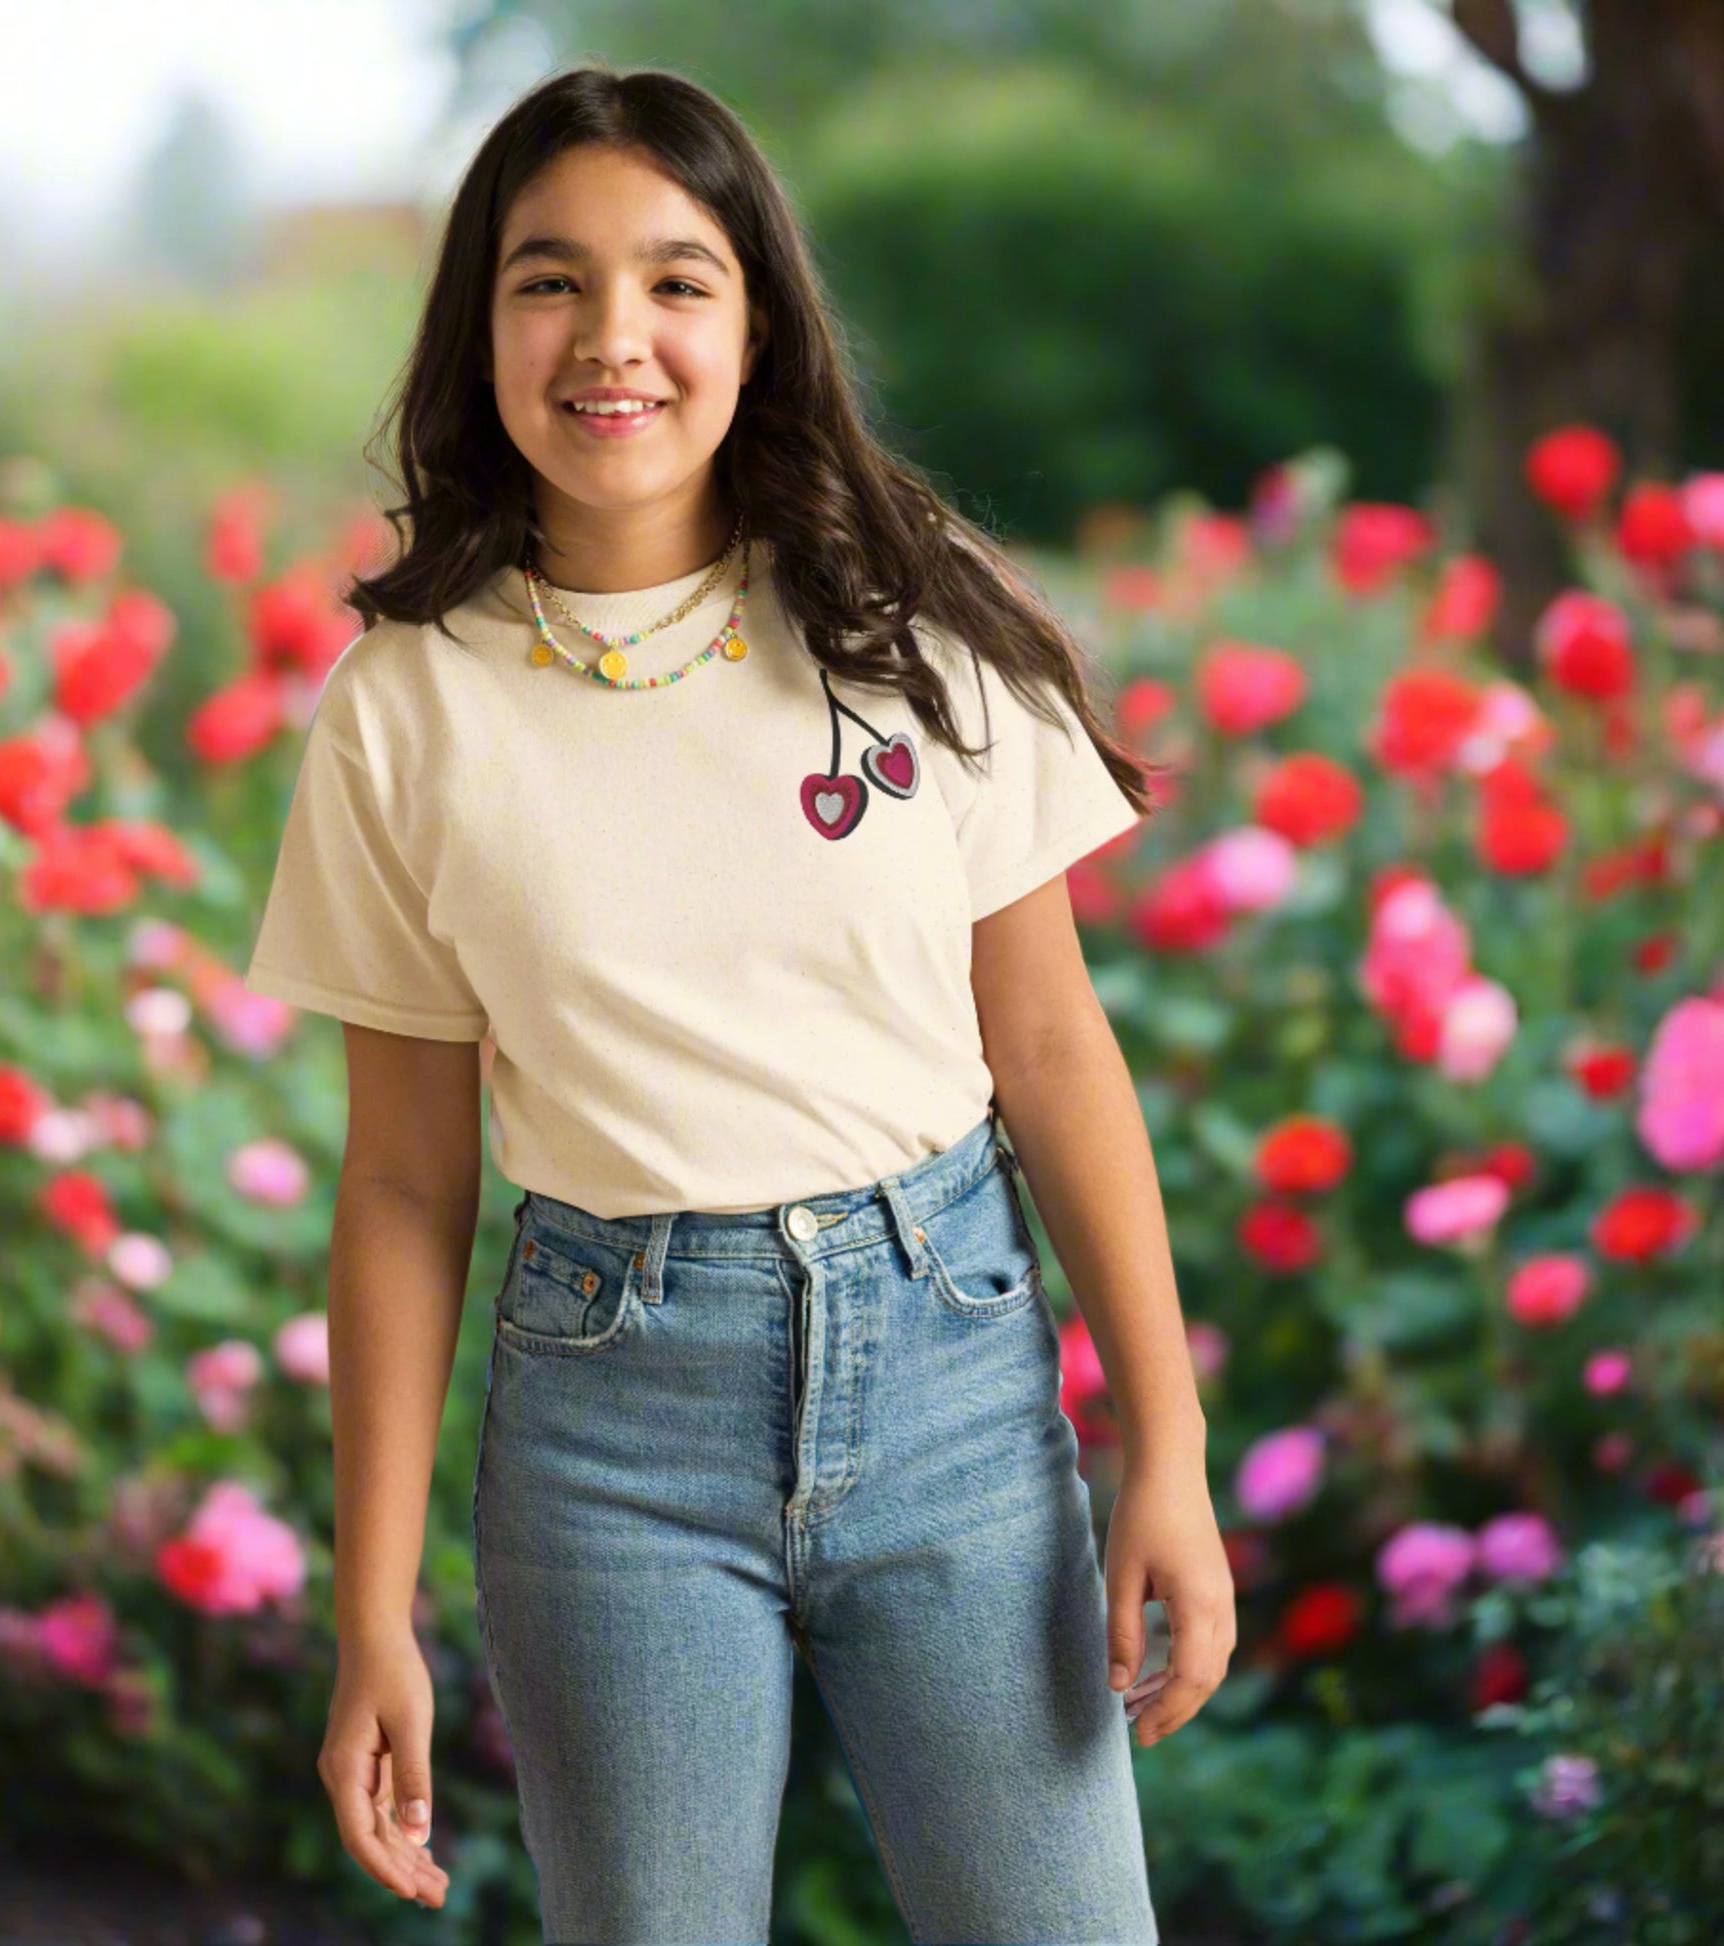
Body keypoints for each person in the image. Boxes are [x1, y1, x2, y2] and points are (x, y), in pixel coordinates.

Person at [244, 60, 1232, 1945]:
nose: (613, 335)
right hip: (611, 1438)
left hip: (952, 1380)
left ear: (757, 322)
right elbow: (398, 1185)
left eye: (676, 279)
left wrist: (1164, 1449)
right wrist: (372, 1604)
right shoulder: (403, 708)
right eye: (551, 280)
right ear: (480, 324)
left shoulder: (912, 622)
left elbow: (1047, 1051)